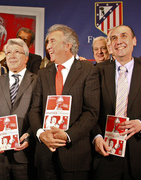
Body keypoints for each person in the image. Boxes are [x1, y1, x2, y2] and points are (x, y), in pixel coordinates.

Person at [28, 24, 100, 180]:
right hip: (45, 155)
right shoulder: (43, 73)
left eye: (52, 41)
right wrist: (41, 134)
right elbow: (34, 109)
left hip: (74, 155)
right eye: (47, 43)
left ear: (68, 45)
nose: (48, 47)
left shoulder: (88, 70)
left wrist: (67, 135)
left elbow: (91, 111)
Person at [91, 25, 141, 180]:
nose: (119, 41)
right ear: (110, 46)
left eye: (124, 36)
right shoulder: (97, 71)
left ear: (134, 41)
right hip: (106, 153)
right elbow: (89, 109)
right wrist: (96, 136)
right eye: (114, 38)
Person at [0, 38, 37, 180]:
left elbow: (40, 112)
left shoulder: (37, 81)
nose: (11, 56)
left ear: (26, 58)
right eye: (8, 53)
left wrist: (30, 136)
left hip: (25, 154)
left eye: (17, 52)